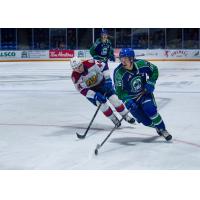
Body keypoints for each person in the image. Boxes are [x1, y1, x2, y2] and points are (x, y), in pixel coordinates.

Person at [113, 48, 172, 141]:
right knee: (145, 121)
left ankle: (163, 129)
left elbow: (154, 70)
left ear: (131, 59)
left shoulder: (141, 64)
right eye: (121, 58)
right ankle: (156, 127)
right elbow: (119, 92)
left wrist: (151, 82)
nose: (123, 61)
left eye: (125, 58)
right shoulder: (118, 73)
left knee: (151, 111)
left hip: (144, 94)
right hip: (131, 99)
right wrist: (127, 100)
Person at [70, 57, 135, 127]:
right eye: (75, 68)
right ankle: (113, 119)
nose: (78, 69)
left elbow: (104, 65)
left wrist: (107, 80)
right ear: (73, 69)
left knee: (115, 99)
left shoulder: (91, 63)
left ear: (82, 63)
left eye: (79, 66)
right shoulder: (75, 77)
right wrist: (95, 95)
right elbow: (82, 90)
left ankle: (125, 115)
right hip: (92, 91)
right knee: (102, 106)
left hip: (103, 84)